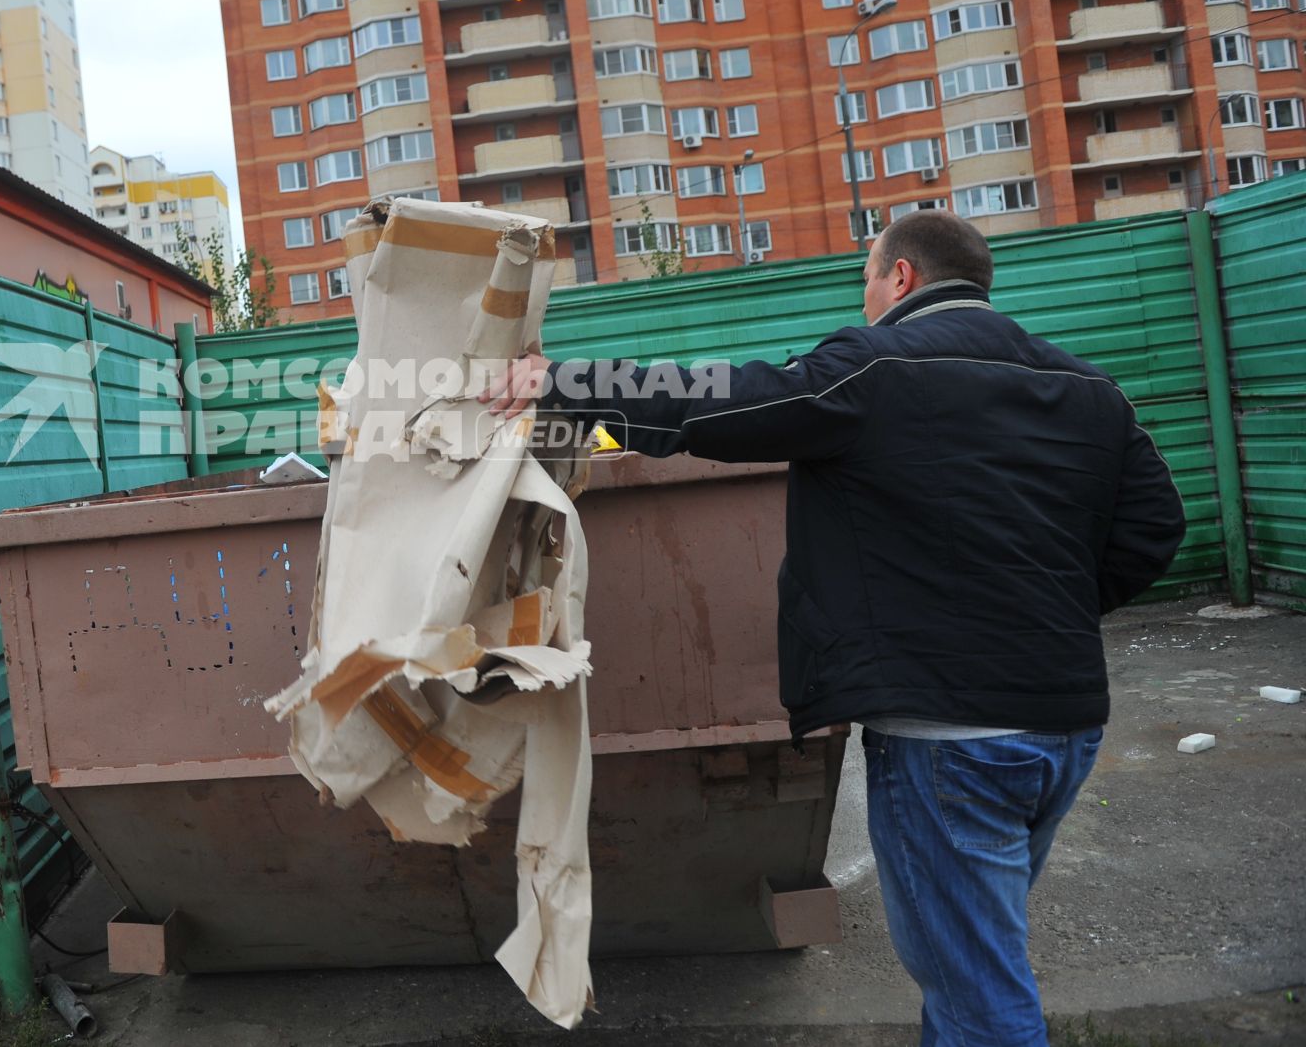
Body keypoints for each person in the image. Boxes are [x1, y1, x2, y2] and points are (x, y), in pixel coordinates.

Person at [481, 211, 1186, 1045]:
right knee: (974, 959)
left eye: (867, 281)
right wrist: (1043, 617)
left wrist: (559, 379)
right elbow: (1154, 527)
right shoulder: (1092, 389)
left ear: (901, 280)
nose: (866, 300)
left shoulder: (876, 366)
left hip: (948, 736)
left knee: (981, 994)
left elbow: (728, 400)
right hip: (1065, 727)